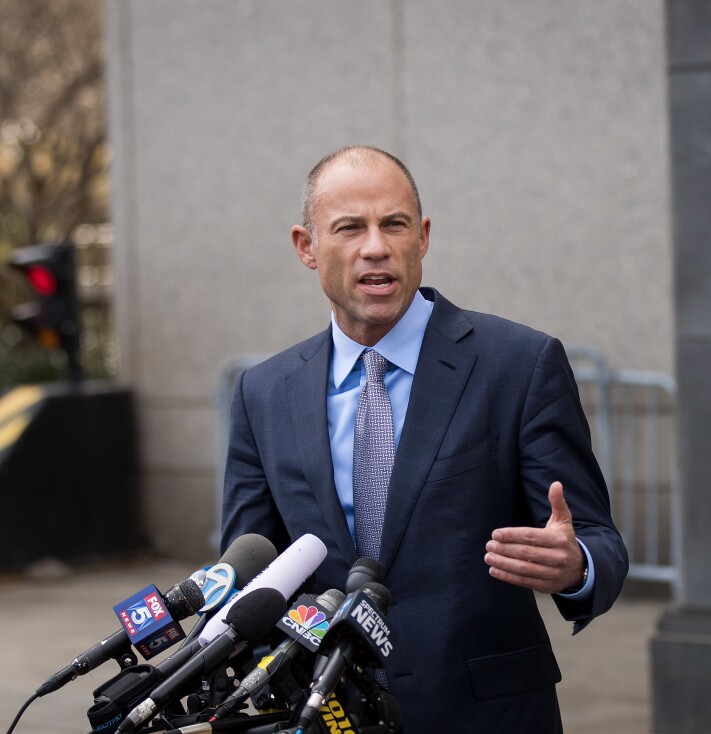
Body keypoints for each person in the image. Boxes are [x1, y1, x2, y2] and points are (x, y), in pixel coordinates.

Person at [221, 145, 628, 732]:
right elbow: (251, 570)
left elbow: (598, 541)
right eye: (350, 228)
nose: (376, 247)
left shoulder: (519, 364)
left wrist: (577, 566)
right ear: (306, 247)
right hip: (327, 714)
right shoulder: (262, 393)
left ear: (423, 237)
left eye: (394, 224)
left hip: (486, 714)